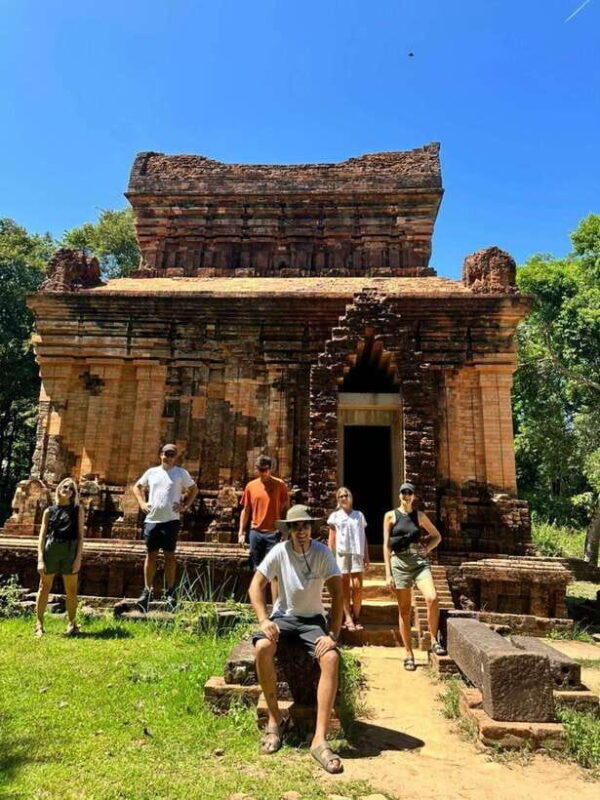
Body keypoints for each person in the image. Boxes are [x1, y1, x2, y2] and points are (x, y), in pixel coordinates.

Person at [249, 504, 344, 774]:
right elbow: (256, 586)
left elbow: (338, 594)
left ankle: (319, 738)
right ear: (289, 530)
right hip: (283, 618)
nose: (301, 531)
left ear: (311, 528)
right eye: (296, 526)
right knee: (263, 647)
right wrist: (264, 620)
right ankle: (274, 719)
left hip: (312, 620)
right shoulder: (279, 552)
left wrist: (333, 635)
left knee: (331, 658)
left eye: (305, 526)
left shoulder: (322, 552)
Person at [383, 481, 447, 671]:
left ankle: (434, 639)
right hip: (399, 563)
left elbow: (437, 536)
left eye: (409, 493)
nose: (406, 496)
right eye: (403, 493)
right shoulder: (390, 516)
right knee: (404, 610)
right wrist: (388, 573)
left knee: (432, 598)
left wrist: (427, 548)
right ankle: (408, 653)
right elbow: (386, 545)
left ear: (414, 496)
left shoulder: (419, 516)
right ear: (399, 495)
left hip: (418, 562)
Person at [132, 443, 198, 612]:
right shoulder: (152, 472)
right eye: (165, 454)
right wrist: (141, 503)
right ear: (160, 454)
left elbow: (193, 489)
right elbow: (137, 487)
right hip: (153, 519)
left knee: (170, 555)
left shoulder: (180, 473)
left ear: (175, 456)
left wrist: (185, 506)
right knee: (151, 555)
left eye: (171, 454)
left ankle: (170, 591)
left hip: (171, 520)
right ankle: (147, 592)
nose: (167, 457)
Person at [35, 477, 84, 637]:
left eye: (71, 489)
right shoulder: (49, 511)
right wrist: (40, 559)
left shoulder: (77, 510)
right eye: (65, 486)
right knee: (44, 588)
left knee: (71, 589)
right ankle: (39, 624)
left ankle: (71, 623)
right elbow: (42, 537)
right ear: (59, 489)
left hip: (70, 550)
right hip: (52, 549)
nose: (67, 490)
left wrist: (78, 559)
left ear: (73, 494)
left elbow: (81, 537)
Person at [327, 486, 370, 631]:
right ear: (338, 500)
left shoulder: (359, 515)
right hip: (341, 554)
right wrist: (329, 557)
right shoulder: (335, 516)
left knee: (357, 586)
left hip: (357, 553)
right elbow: (331, 539)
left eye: (346, 495)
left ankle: (356, 615)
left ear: (350, 497)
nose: (344, 498)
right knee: (344, 586)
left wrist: (367, 555)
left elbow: (363, 537)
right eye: (341, 496)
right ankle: (348, 618)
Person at [238, 454, 289, 569]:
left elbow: (286, 509)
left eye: (265, 470)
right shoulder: (250, 486)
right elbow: (246, 510)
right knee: (256, 567)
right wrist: (241, 532)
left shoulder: (280, 485)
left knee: (272, 567)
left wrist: (285, 533)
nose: (263, 473)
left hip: (273, 532)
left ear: (270, 469)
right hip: (256, 531)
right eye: (260, 470)